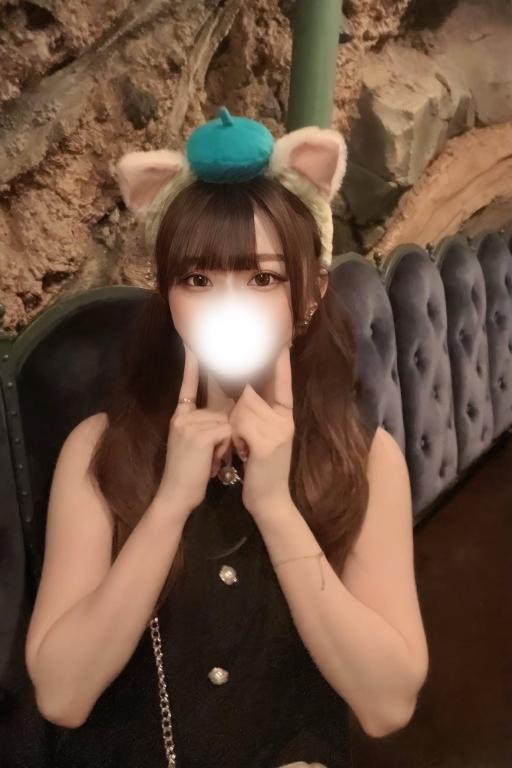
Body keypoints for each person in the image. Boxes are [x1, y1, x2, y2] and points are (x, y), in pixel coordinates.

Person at [24, 107, 429, 768]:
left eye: (263, 278)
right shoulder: (100, 450)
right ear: (168, 297)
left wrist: (275, 508)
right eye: (198, 279)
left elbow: (388, 705)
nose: (227, 305)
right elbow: (62, 696)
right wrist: (168, 505)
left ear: (310, 295)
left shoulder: (362, 460)